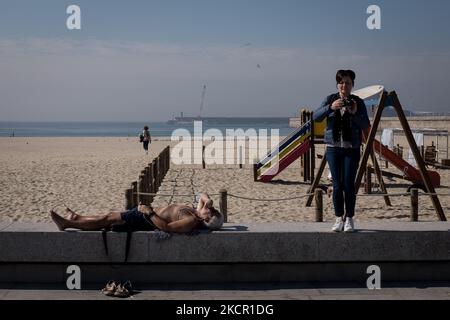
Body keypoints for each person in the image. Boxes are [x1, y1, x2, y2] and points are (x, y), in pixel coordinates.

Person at [313, 70, 370, 232]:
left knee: (349, 185)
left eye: (348, 82)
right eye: (342, 82)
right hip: (333, 148)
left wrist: (354, 113)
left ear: (353, 85)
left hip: (352, 148)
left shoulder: (357, 102)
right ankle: (339, 218)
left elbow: (365, 124)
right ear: (337, 84)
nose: (344, 85)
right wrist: (330, 108)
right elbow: (316, 116)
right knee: (337, 185)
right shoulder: (330, 99)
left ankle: (350, 219)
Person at [50, 193, 223, 233]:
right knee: (109, 215)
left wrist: (148, 212)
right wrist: (208, 201)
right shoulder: (198, 211)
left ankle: (68, 223)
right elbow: (203, 196)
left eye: (212, 211)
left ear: (207, 219)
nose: (211, 208)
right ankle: (77, 218)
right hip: (145, 214)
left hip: (145, 219)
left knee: (106, 219)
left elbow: (168, 228)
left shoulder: (191, 220)